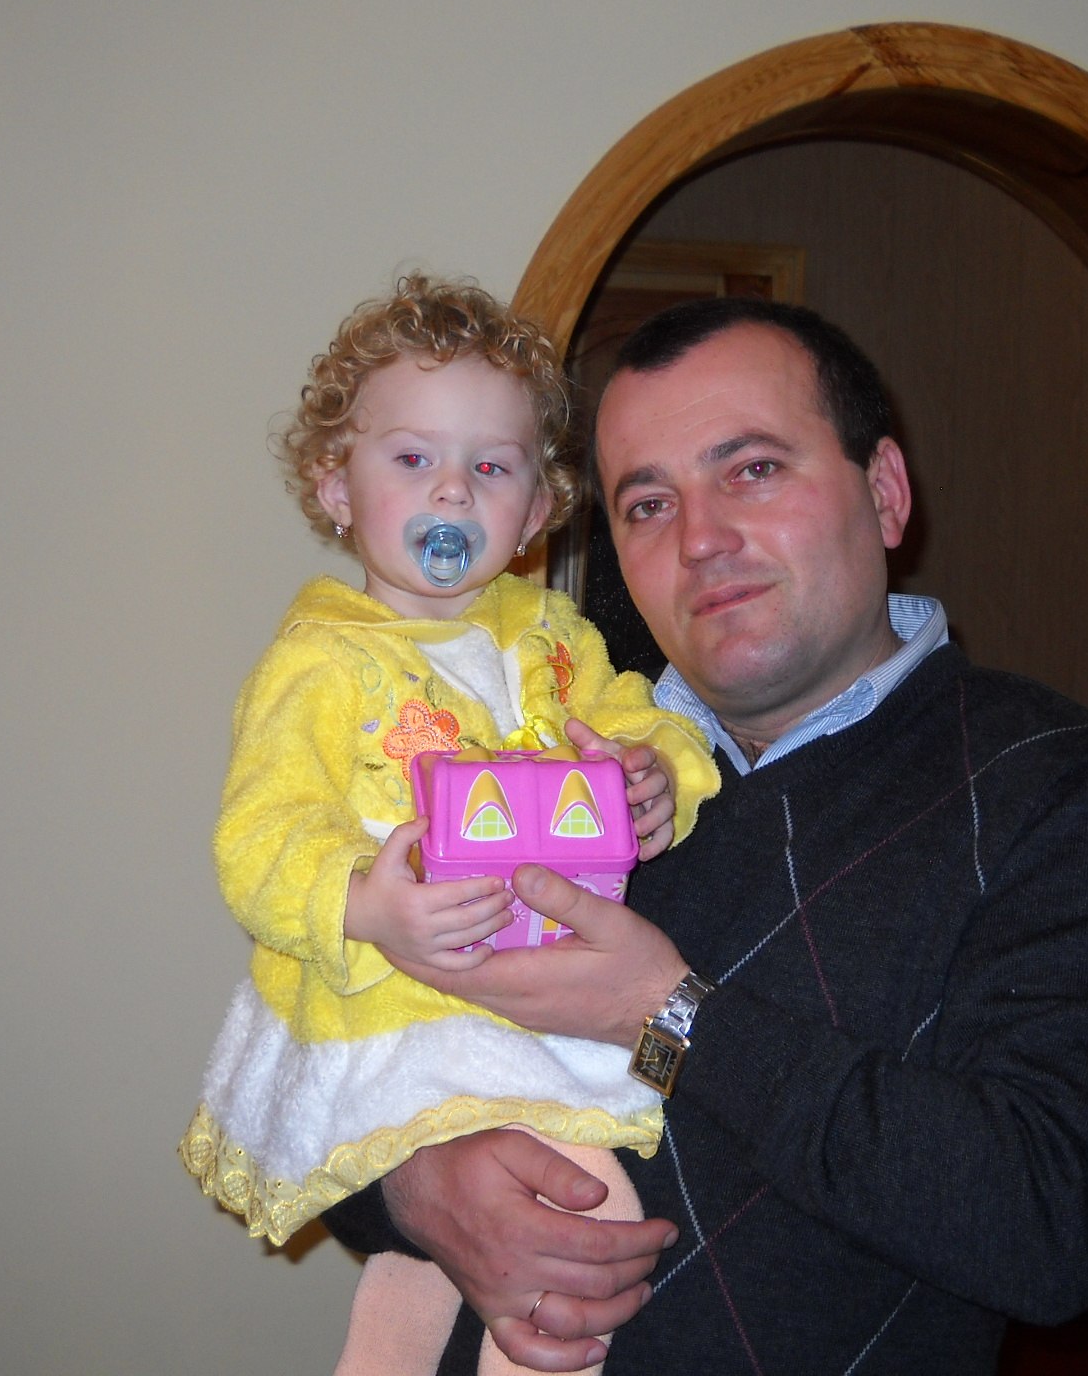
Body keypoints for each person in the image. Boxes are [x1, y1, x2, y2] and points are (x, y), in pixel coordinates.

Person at [321, 295, 1088, 1375]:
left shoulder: (1052, 783)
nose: (700, 540)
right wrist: (413, 1191)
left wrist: (667, 1019)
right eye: (648, 503)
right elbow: (319, 1058)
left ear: (884, 492)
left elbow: (1050, 1227)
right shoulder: (532, 753)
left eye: (753, 470)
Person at [179, 276, 722, 1376]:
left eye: (491, 468)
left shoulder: (557, 637)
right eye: (412, 457)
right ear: (336, 486)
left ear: (535, 510)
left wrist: (658, 772)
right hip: (395, 1012)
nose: (451, 491)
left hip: (540, 997)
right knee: (582, 1208)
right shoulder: (320, 660)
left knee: (430, 1259)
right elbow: (260, 836)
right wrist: (364, 904)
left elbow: (642, 721)